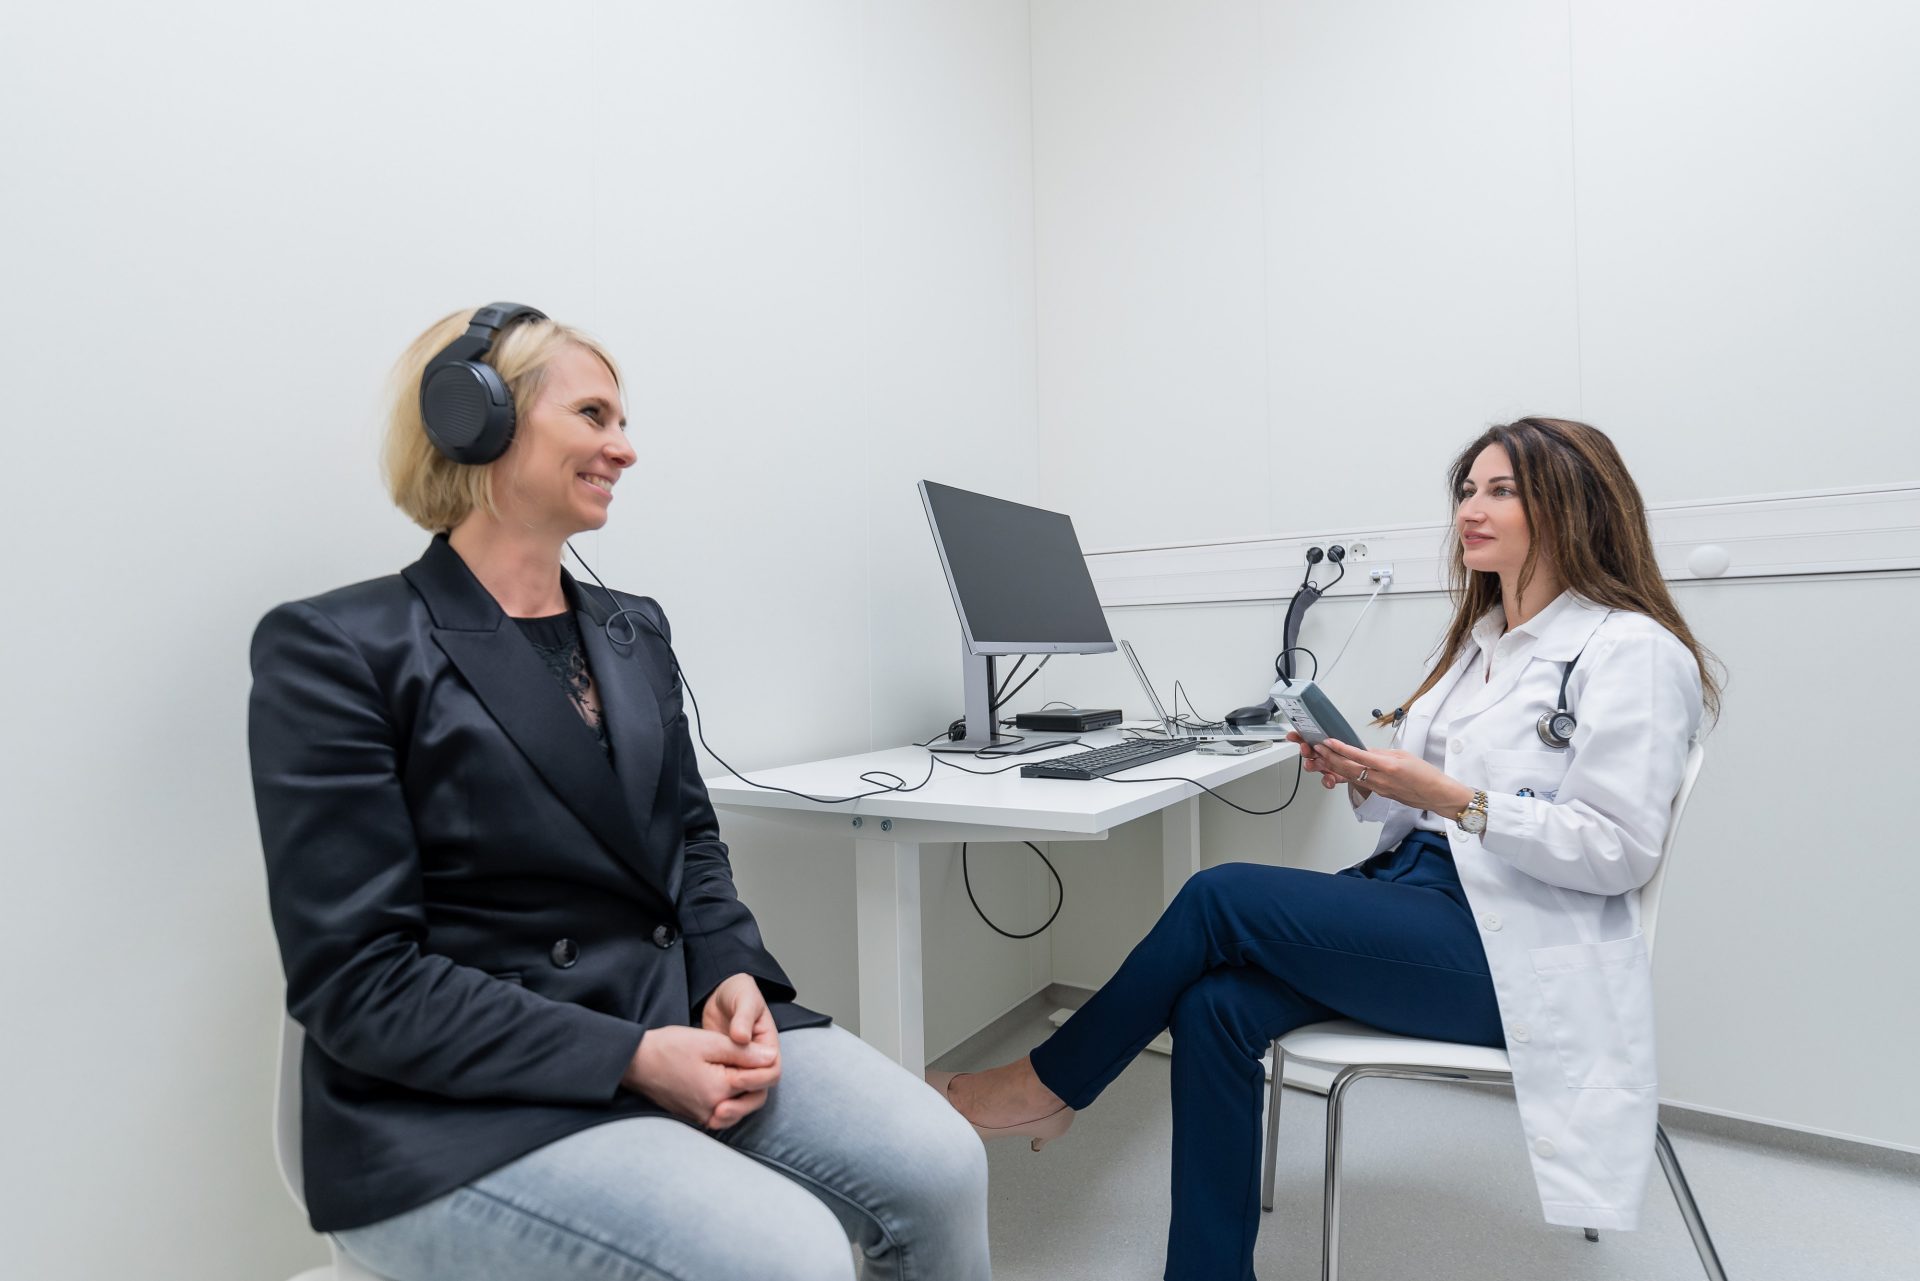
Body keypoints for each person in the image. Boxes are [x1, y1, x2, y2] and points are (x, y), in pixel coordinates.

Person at [249, 304, 989, 1281]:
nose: (625, 449)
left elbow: (688, 842)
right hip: (457, 1101)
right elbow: (361, 983)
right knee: (790, 1256)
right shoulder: (338, 648)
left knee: (942, 1161)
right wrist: (632, 1058)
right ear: (478, 421)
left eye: (624, 421)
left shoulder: (633, 631)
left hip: (668, 1011)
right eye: (595, 416)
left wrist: (730, 972)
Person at [932, 417, 1720, 1280]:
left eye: (1502, 489)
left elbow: (1617, 850)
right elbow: (1432, 808)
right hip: (1423, 897)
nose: (1472, 508)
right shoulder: (1480, 643)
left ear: (1574, 504)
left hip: (1514, 950)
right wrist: (1370, 776)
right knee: (1214, 1007)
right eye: (1467, 489)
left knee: (1219, 893)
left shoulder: (1631, 650)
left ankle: (1044, 1088)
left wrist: (1449, 796)